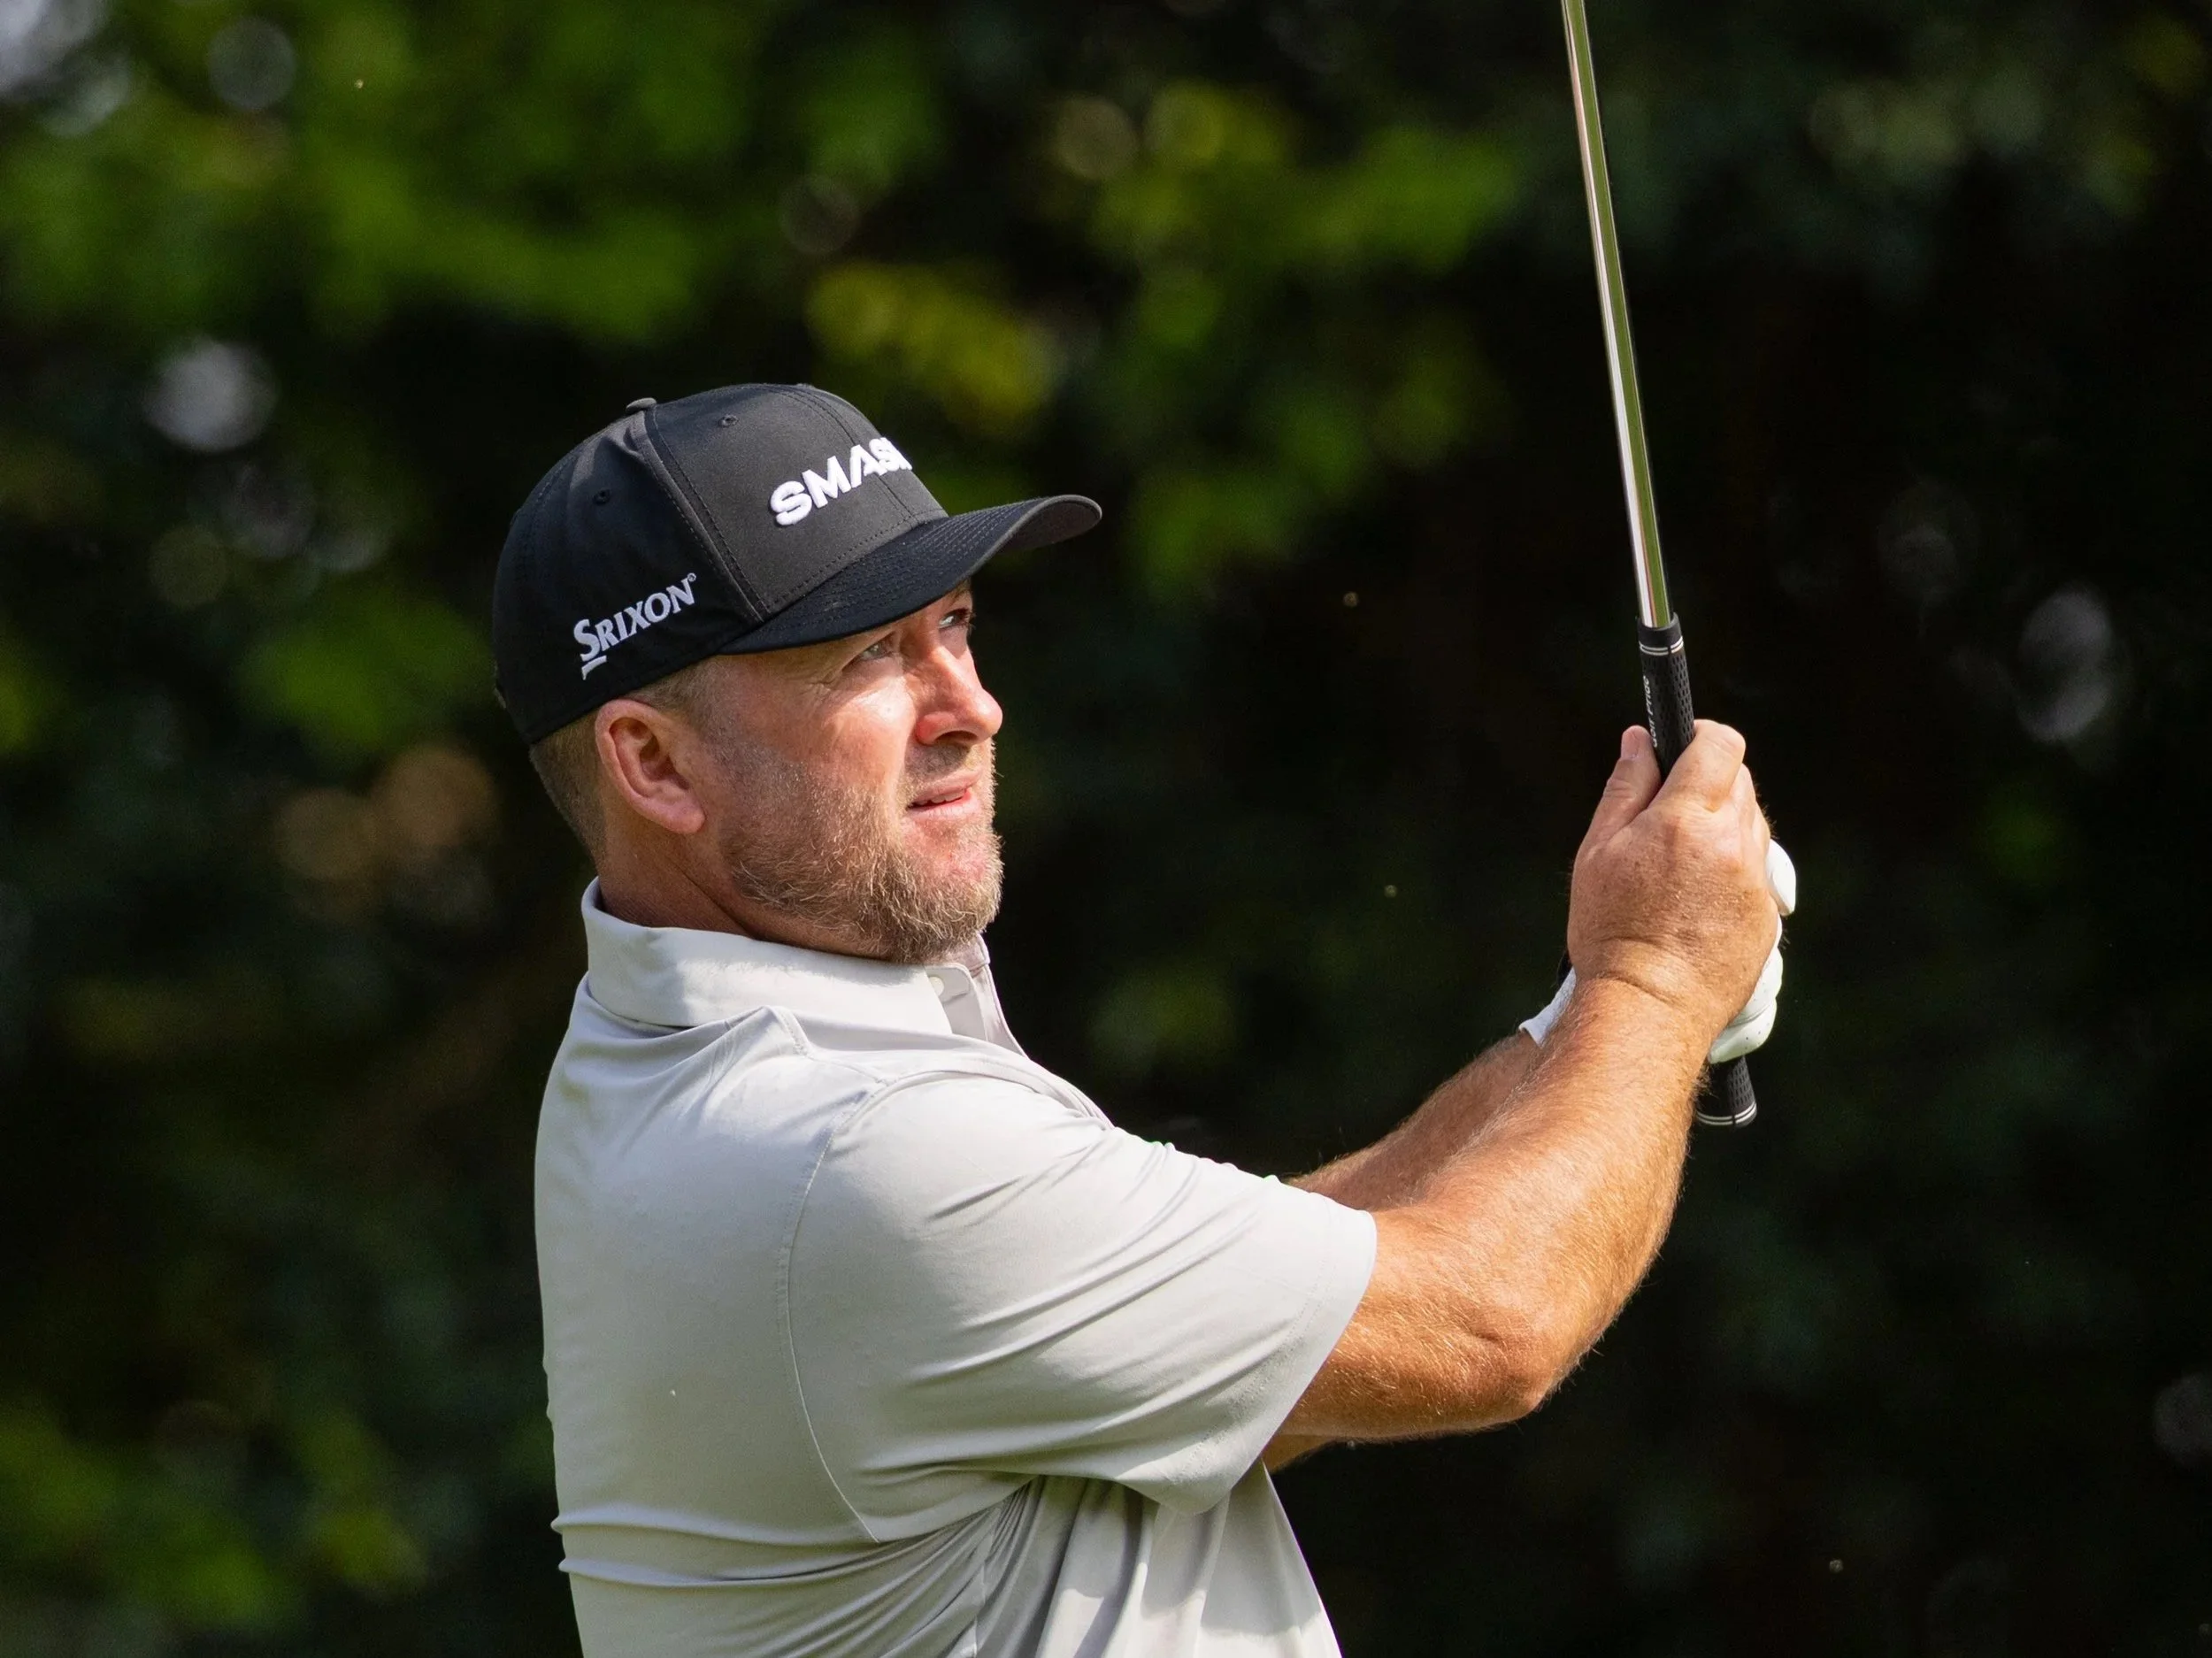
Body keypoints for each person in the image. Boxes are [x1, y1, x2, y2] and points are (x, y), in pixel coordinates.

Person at [491, 384, 1792, 1658]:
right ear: (653, 762)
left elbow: (1241, 1333)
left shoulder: (664, 1055)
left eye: (955, 623)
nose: (970, 706)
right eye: (870, 655)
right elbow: (1486, 1320)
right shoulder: (853, 1150)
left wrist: (1582, 1031)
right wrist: (1655, 983)